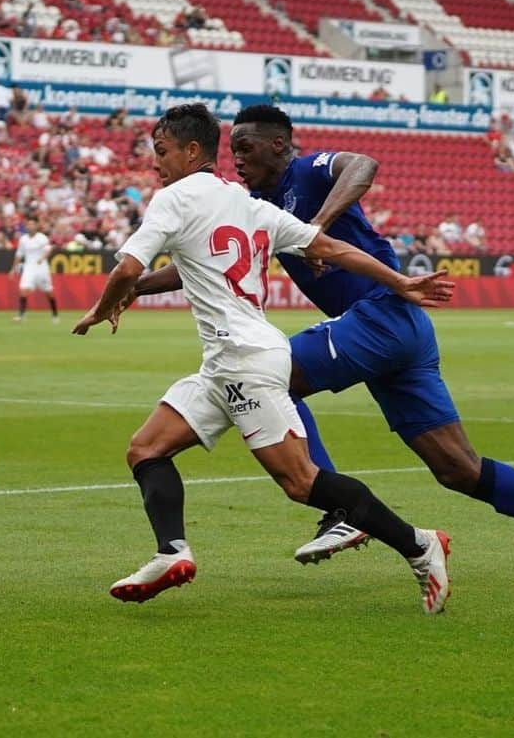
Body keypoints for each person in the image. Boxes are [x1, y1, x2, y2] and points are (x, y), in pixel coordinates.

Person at [133, 104, 514, 586]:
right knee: (459, 469)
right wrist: (133, 286)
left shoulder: (306, 172)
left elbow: (363, 164)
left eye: (245, 147)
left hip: (382, 316)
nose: (236, 159)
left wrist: (320, 223)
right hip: (398, 331)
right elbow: (198, 263)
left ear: (278, 145)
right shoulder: (256, 207)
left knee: (268, 373)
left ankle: (340, 511)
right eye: (232, 150)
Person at [72, 104, 455, 614]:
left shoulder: (175, 198)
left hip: (245, 360)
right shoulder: (245, 202)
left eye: (161, 151)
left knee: (302, 483)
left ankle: (419, 543)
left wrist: (105, 306)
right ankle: (172, 553)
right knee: (146, 450)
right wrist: (399, 280)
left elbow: (127, 266)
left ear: (191, 151)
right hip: (229, 360)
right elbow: (332, 247)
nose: (155, 163)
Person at [9, 220, 58, 323]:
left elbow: (49, 249)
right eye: (28, 224)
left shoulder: (42, 238)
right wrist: (13, 269)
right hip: (28, 268)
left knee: (49, 292)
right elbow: (19, 254)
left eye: (32, 224)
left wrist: (42, 258)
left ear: (36, 226)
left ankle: (55, 315)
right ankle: (21, 315)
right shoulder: (23, 239)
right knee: (23, 290)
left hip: (41, 268)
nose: (30, 226)